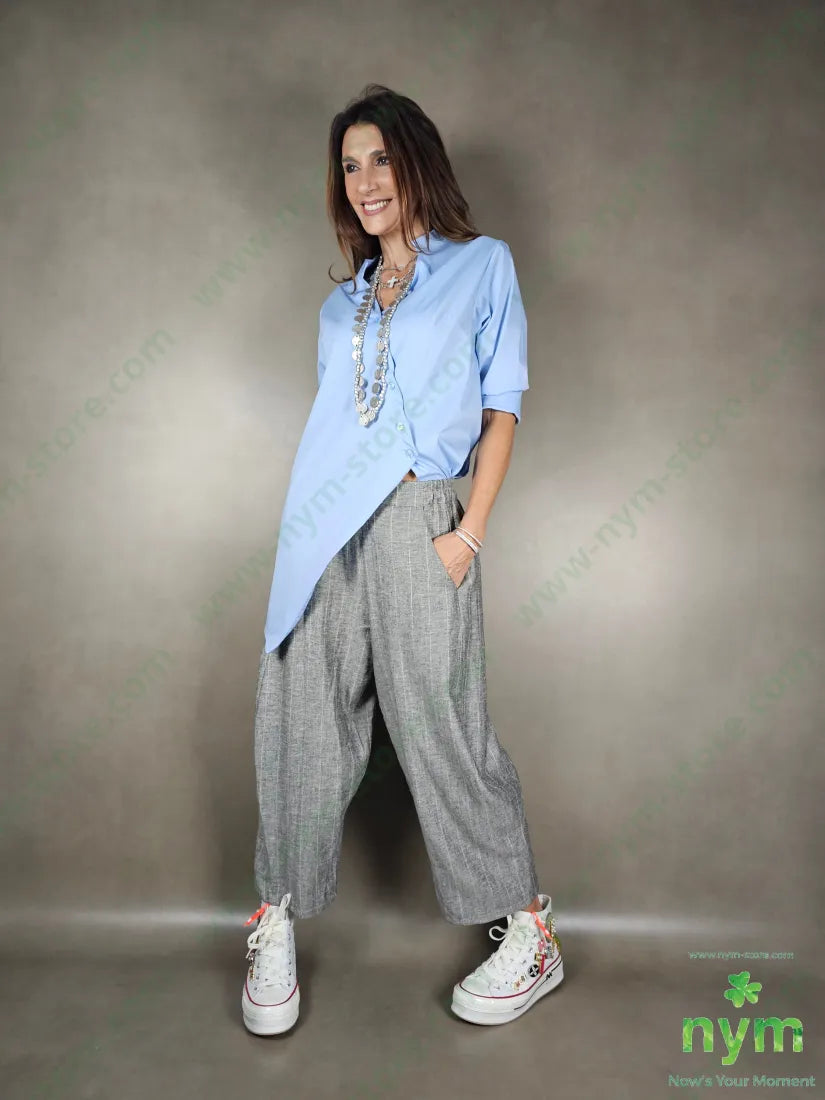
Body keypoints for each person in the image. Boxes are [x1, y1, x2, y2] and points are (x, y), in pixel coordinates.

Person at [241, 84, 563, 1035]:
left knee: (440, 724)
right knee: (301, 720)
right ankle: (276, 921)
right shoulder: (337, 307)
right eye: (349, 166)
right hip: (322, 526)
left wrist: (469, 532)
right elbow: (338, 425)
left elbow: (501, 409)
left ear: (415, 161)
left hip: (423, 517)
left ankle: (529, 931)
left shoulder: (482, 266)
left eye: (380, 158)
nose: (365, 180)